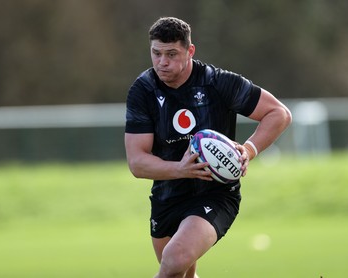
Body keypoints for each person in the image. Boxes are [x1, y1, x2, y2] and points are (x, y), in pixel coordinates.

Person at [124, 17, 292, 278]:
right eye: (156, 53)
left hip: (216, 194)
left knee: (175, 257)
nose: (162, 62)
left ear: (190, 51)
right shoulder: (143, 90)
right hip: (167, 196)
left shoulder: (218, 82)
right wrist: (181, 169)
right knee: (180, 273)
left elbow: (278, 113)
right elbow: (137, 162)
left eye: (171, 54)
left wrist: (248, 150)